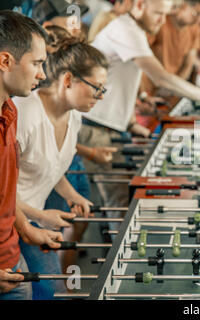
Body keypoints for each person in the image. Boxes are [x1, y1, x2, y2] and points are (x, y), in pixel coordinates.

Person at [79, 0, 200, 220]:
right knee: (119, 208)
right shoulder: (125, 29)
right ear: (139, 5)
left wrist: (132, 116)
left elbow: (119, 78)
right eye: (158, 14)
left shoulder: (133, 30)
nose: (161, 21)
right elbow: (160, 77)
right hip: (96, 128)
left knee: (120, 203)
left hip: (111, 126)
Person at [13, 37, 108, 300]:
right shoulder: (25, 115)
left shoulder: (74, 115)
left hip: (32, 217)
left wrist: (72, 195)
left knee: (52, 289)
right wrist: (39, 216)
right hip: (12, 219)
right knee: (52, 290)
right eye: (96, 88)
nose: (100, 96)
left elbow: (52, 166)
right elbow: (2, 187)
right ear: (67, 80)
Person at [0, 10, 63, 300]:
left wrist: (27, 229)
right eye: (37, 63)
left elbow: (5, 194)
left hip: (11, 260)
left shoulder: (9, 113)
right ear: (5, 61)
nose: (43, 74)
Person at [139, 0, 200, 97]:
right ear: (184, 6)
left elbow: (189, 63)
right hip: (149, 89)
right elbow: (141, 59)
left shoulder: (195, 29)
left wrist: (174, 88)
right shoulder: (160, 22)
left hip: (172, 88)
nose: (198, 19)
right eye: (196, 13)